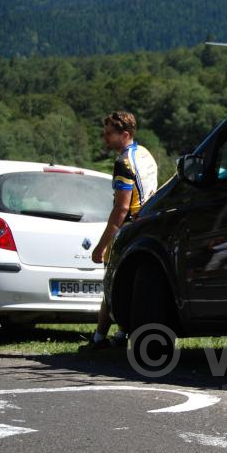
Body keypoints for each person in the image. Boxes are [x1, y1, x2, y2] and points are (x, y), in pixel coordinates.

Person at [87, 111, 158, 349]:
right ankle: (121, 334)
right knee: (127, 284)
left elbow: (121, 209)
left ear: (124, 134)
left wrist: (101, 246)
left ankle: (98, 339)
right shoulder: (145, 154)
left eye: (109, 134)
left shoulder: (123, 163)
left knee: (111, 285)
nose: (104, 139)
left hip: (127, 229)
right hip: (146, 224)